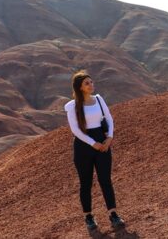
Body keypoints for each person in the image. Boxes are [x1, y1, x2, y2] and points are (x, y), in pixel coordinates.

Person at [64, 70, 125, 230]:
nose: (91, 85)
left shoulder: (98, 99)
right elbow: (75, 130)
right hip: (84, 145)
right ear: (80, 87)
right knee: (86, 183)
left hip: (103, 141)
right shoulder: (72, 106)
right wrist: (93, 143)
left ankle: (113, 214)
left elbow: (109, 118)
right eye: (87, 83)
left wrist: (109, 137)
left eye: (91, 82)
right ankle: (88, 217)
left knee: (106, 180)